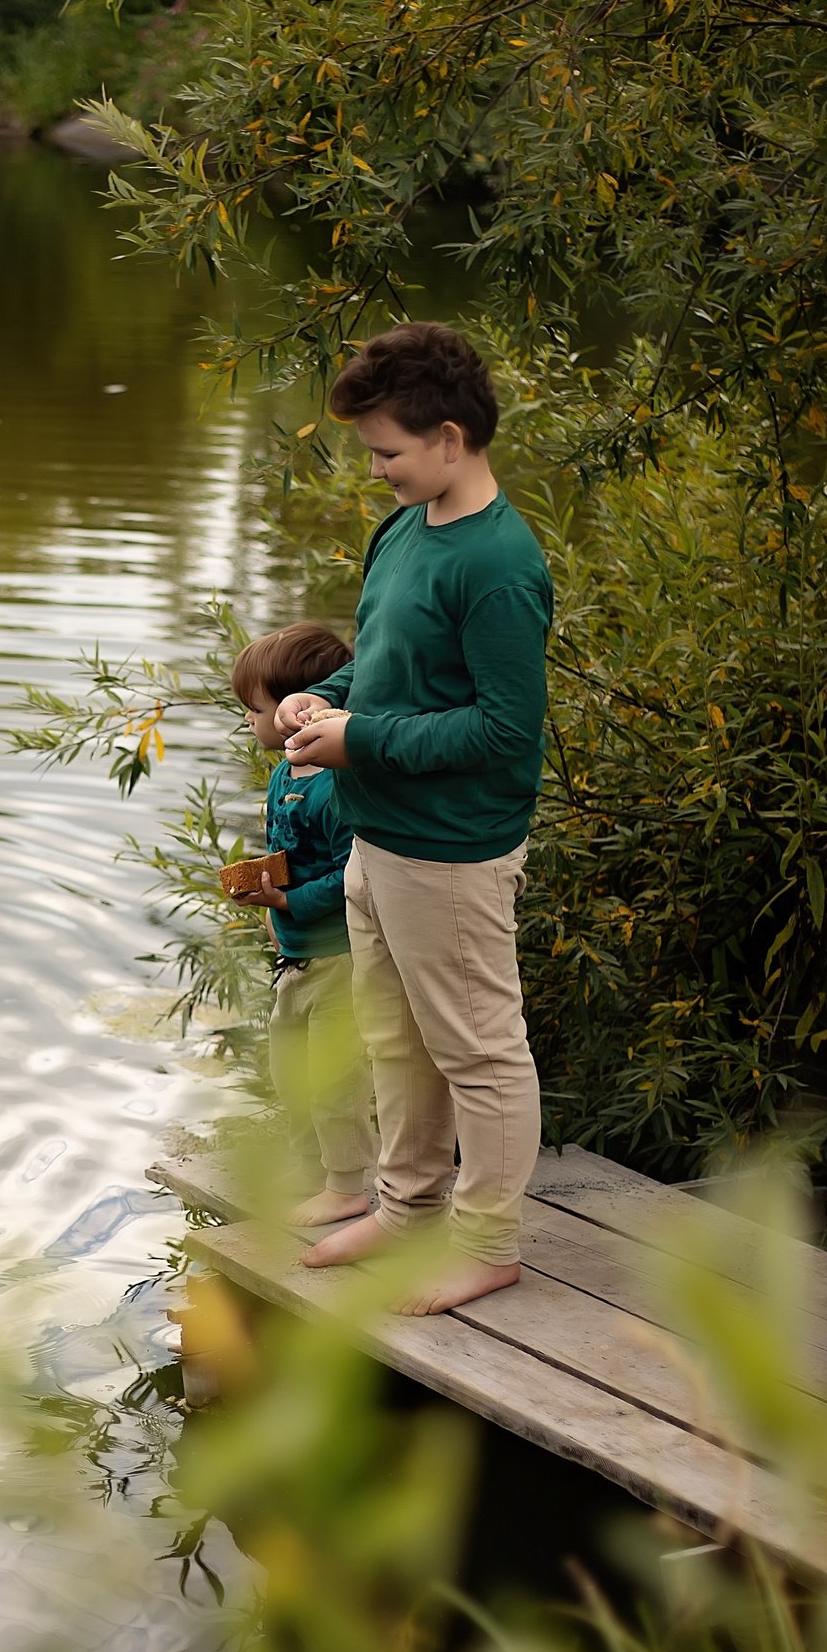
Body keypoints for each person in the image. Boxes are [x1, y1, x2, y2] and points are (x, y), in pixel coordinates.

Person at [272, 322, 553, 1316]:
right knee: (392, 1038)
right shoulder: (403, 528)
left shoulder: (499, 565)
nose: (378, 468)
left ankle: (488, 1243)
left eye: (387, 451)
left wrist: (363, 740)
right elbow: (387, 666)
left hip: (451, 852)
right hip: (377, 836)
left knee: (476, 1047)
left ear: (447, 436)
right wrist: (325, 700)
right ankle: (406, 1205)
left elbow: (504, 731)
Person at [226, 622, 373, 1229]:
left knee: (334, 1077)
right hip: (295, 953)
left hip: (337, 956)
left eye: (255, 709)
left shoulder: (337, 783)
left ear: (297, 711)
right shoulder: (286, 774)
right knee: (289, 1069)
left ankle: (347, 1185)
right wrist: (267, 895)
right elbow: (292, 851)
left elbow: (349, 874)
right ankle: (310, 1166)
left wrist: (288, 904)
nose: (248, 721)